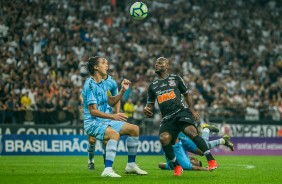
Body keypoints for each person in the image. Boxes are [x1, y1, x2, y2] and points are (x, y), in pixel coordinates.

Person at [144, 57, 217, 176]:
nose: (156, 65)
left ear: (167, 66)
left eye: (160, 63)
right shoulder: (153, 86)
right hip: (167, 118)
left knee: (190, 131)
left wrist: (192, 110)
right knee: (164, 138)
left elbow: (187, 94)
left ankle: (211, 159)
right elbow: (150, 105)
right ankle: (177, 166)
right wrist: (147, 109)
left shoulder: (176, 79)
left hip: (181, 112)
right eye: (156, 63)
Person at [82, 56, 147, 177]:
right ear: (96, 67)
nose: (107, 65)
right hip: (92, 123)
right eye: (103, 63)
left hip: (104, 120)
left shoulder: (102, 83)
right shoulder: (89, 85)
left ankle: (131, 165)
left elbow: (111, 101)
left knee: (134, 129)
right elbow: (93, 111)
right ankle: (107, 170)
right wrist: (113, 116)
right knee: (114, 134)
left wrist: (122, 91)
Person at [85, 69, 121, 170]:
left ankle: (106, 162)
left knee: (106, 141)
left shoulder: (111, 83)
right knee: (92, 140)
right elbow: (83, 95)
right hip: (94, 116)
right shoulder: (91, 82)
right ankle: (90, 161)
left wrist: (117, 112)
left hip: (106, 115)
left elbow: (116, 99)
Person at [158, 124, 234, 171]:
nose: (195, 161)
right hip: (180, 142)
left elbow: (160, 165)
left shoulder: (183, 164)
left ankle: (216, 137)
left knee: (202, 148)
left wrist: (171, 166)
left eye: (196, 163)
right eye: (197, 162)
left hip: (179, 139)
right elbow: (161, 165)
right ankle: (209, 132)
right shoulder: (184, 163)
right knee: (202, 150)